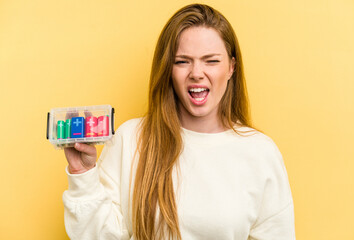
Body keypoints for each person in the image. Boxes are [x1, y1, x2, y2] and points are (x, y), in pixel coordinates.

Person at [62, 3, 296, 240]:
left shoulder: (260, 152)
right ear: (168, 69)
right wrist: (83, 174)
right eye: (183, 61)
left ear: (231, 67)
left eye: (211, 61)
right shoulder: (131, 138)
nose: (196, 72)